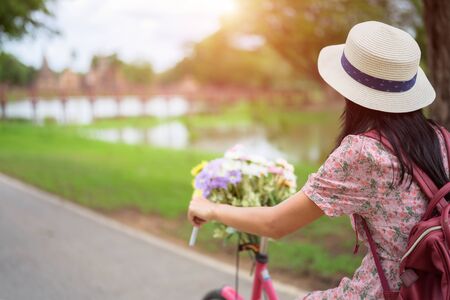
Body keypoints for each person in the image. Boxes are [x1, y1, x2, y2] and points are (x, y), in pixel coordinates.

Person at [187, 21, 449, 299]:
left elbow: (275, 225)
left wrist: (211, 209)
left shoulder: (363, 153)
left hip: (388, 292)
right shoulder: (440, 137)